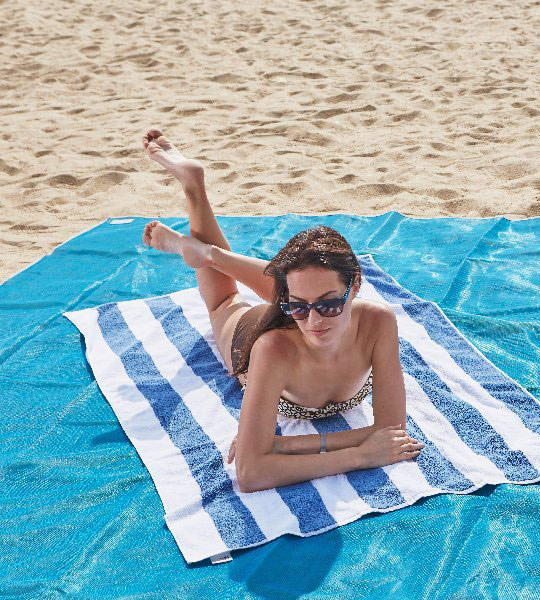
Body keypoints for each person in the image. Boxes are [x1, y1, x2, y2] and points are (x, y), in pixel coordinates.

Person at [139, 128, 423, 493]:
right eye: (299, 308)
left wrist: (284, 445)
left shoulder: (378, 321)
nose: (315, 320)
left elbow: (390, 431)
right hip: (251, 331)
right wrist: (360, 454)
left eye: (330, 304)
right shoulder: (271, 348)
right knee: (225, 301)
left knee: (297, 284)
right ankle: (195, 200)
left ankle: (206, 251)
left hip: (305, 309)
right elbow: (252, 473)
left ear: (355, 285)